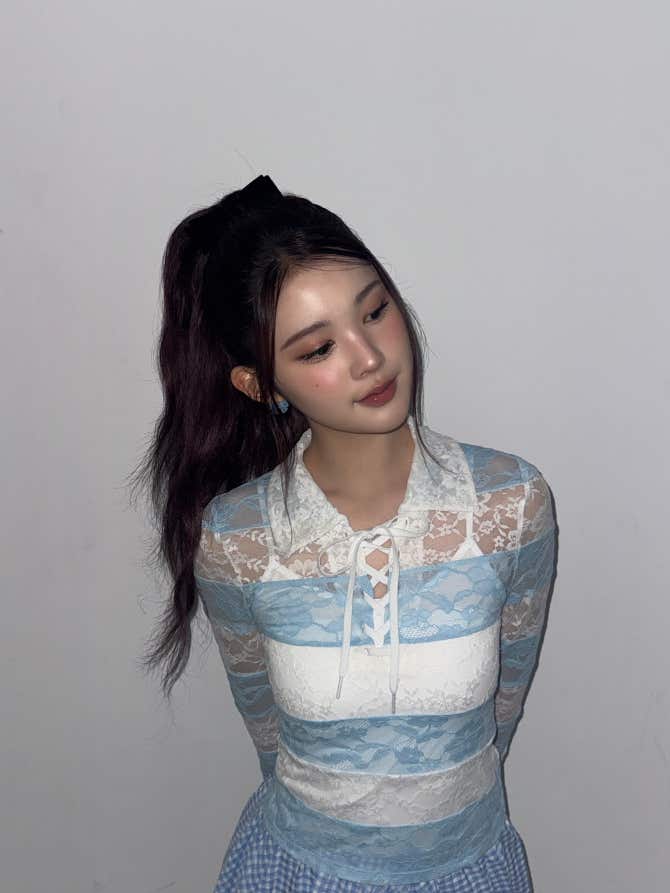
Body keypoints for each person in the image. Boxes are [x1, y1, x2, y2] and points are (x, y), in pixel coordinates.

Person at [132, 173, 559, 892]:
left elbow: (500, 715)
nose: (369, 358)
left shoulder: (511, 505)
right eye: (317, 348)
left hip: (469, 869)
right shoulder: (237, 540)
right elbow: (269, 737)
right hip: (297, 871)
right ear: (261, 385)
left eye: (375, 311)